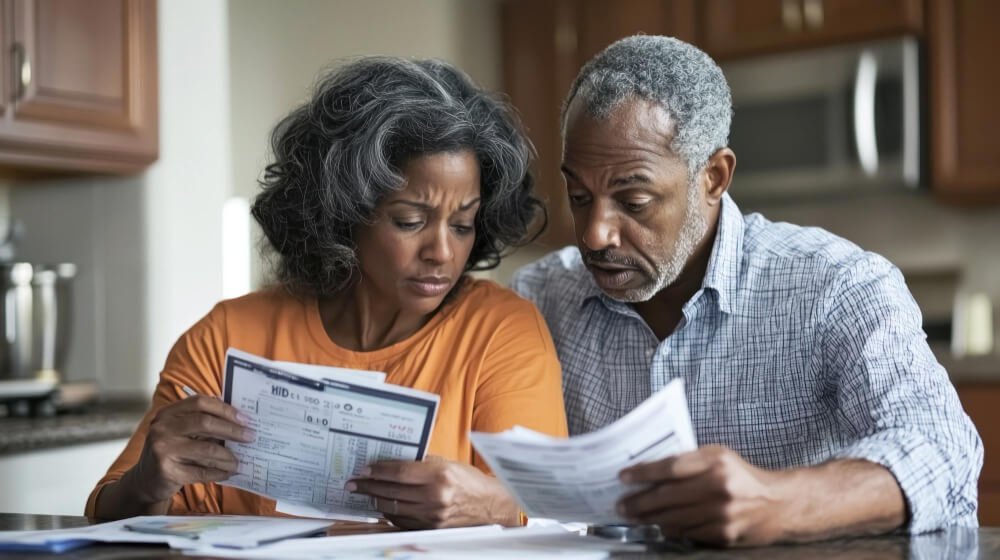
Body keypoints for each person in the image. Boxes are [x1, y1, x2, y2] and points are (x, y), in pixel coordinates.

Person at [512, 35, 982, 547]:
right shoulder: (539, 299)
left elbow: (944, 455)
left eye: (634, 201)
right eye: (580, 196)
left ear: (714, 177)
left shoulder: (835, 287)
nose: (594, 234)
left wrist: (778, 502)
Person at [87, 57, 567, 529]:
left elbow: (552, 517)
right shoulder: (227, 335)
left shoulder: (500, 331)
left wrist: (496, 507)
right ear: (342, 213)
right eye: (409, 221)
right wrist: (147, 482)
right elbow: (107, 515)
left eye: (462, 224)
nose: (442, 252)